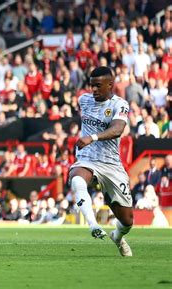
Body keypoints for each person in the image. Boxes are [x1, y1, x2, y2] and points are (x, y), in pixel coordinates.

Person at [69, 66, 133, 257]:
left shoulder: (119, 105)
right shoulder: (84, 100)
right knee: (77, 180)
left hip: (111, 164)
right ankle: (93, 224)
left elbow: (117, 129)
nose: (93, 90)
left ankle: (118, 236)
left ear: (110, 85)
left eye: (98, 86)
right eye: (91, 86)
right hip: (87, 158)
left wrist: (93, 137)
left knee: (127, 221)